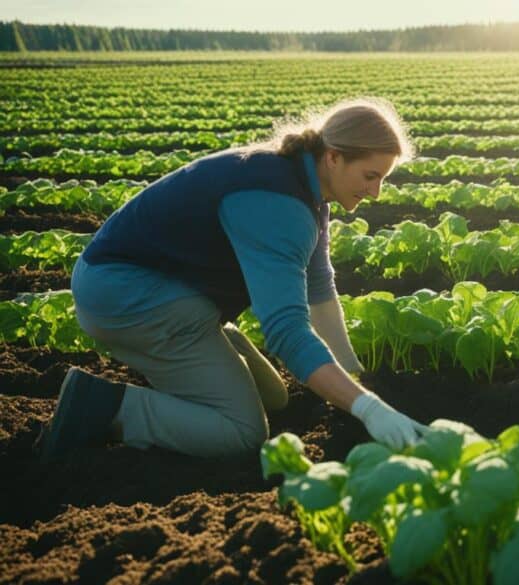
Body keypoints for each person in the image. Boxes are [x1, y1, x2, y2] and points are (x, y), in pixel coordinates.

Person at [35, 97, 428, 462]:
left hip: (150, 288)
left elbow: (319, 287)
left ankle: (195, 356)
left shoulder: (302, 180)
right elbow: (286, 332)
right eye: (370, 176)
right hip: (126, 298)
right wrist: (368, 408)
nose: (376, 193)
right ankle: (105, 407)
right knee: (241, 431)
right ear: (334, 157)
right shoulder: (279, 206)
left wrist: (354, 383)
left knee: (274, 397)